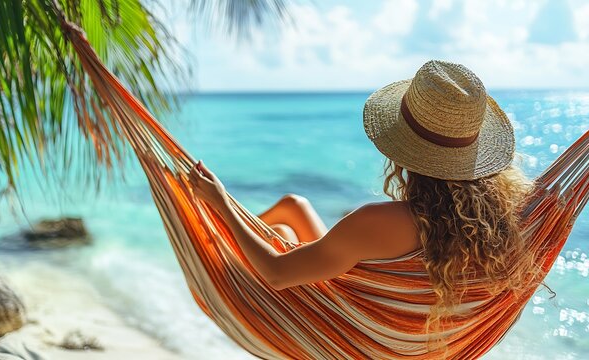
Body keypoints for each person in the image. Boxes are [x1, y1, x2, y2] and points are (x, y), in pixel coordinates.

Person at [188, 60, 535, 318]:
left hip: (346, 330)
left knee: (276, 235)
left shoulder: (378, 222)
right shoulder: (501, 218)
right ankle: (231, 240)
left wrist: (220, 203)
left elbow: (277, 275)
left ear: (402, 148)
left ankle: (218, 241)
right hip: (402, 337)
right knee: (292, 205)